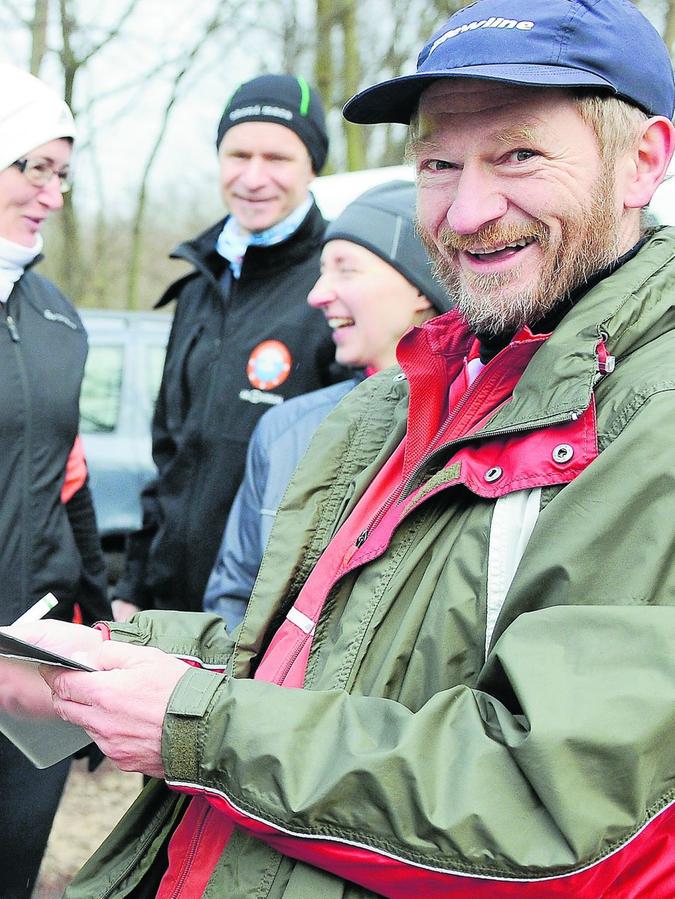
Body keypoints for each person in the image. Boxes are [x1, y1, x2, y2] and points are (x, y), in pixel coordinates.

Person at [3, 0, 675, 896]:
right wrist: (107, 659)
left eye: (517, 153)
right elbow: (325, 658)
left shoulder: (647, 414)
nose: (468, 210)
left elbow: (550, 806)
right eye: (437, 161)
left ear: (644, 161)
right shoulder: (408, 392)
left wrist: (191, 723)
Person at [111, 74, 343, 621]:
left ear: (312, 165)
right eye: (237, 154)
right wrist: (134, 586)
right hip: (170, 612)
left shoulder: (337, 281)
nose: (253, 178)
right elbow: (170, 454)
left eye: (277, 158)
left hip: (265, 618)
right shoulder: (199, 284)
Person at [204, 180, 451, 631]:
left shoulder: (483, 427)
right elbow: (234, 600)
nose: (317, 294)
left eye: (346, 269)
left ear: (421, 285)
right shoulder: (284, 432)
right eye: (322, 270)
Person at [0, 64, 110, 898]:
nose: (52, 194)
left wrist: (102, 622)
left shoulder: (57, 316)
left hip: (25, 668)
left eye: (62, 173)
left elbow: (70, 485)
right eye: (32, 166)